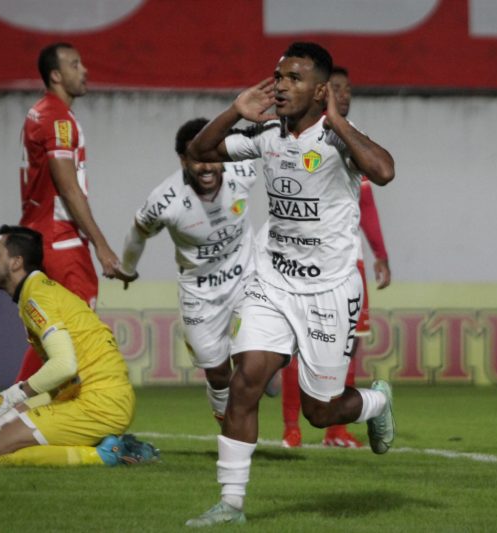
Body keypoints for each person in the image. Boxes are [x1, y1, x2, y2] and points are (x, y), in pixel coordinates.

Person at [184, 42, 396, 527]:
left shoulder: (339, 138)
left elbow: (384, 172)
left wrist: (338, 121)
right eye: (278, 77)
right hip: (273, 281)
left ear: (320, 90)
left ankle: (377, 401)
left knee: (321, 414)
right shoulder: (264, 135)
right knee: (246, 383)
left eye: (294, 78)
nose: (280, 85)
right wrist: (233, 110)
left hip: (329, 288)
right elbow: (201, 151)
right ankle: (230, 504)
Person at [0, 224, 157, 466]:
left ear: (16, 262)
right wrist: (16, 409)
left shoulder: (37, 298)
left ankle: (104, 456)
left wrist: (6, 399)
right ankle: (122, 446)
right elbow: (68, 377)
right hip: (99, 396)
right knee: (1, 428)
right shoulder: (39, 291)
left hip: (97, 403)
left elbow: (64, 366)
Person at [280, 66, 392, 449]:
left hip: (347, 265)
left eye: (348, 89)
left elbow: (369, 203)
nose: (343, 96)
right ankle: (291, 427)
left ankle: (336, 428)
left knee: (348, 345)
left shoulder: (352, 141)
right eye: (337, 89)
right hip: (301, 265)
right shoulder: (302, 136)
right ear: (323, 92)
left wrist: (380, 254)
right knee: (296, 344)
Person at [119, 118, 258, 425]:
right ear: (183, 160)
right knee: (218, 372)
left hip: (247, 280)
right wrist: (127, 269)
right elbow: (137, 233)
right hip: (200, 294)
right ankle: (230, 431)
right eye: (197, 159)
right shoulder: (165, 201)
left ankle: (261, 378)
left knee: (253, 360)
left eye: (213, 157)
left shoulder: (244, 170)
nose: (207, 167)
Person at [16, 42, 128, 382]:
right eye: (75, 64)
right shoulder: (56, 118)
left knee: (54, 331)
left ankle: (24, 414)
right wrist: (101, 245)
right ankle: (11, 408)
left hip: (40, 232)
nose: (84, 70)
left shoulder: (41, 112)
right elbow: (67, 186)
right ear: (56, 75)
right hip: (60, 237)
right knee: (73, 330)